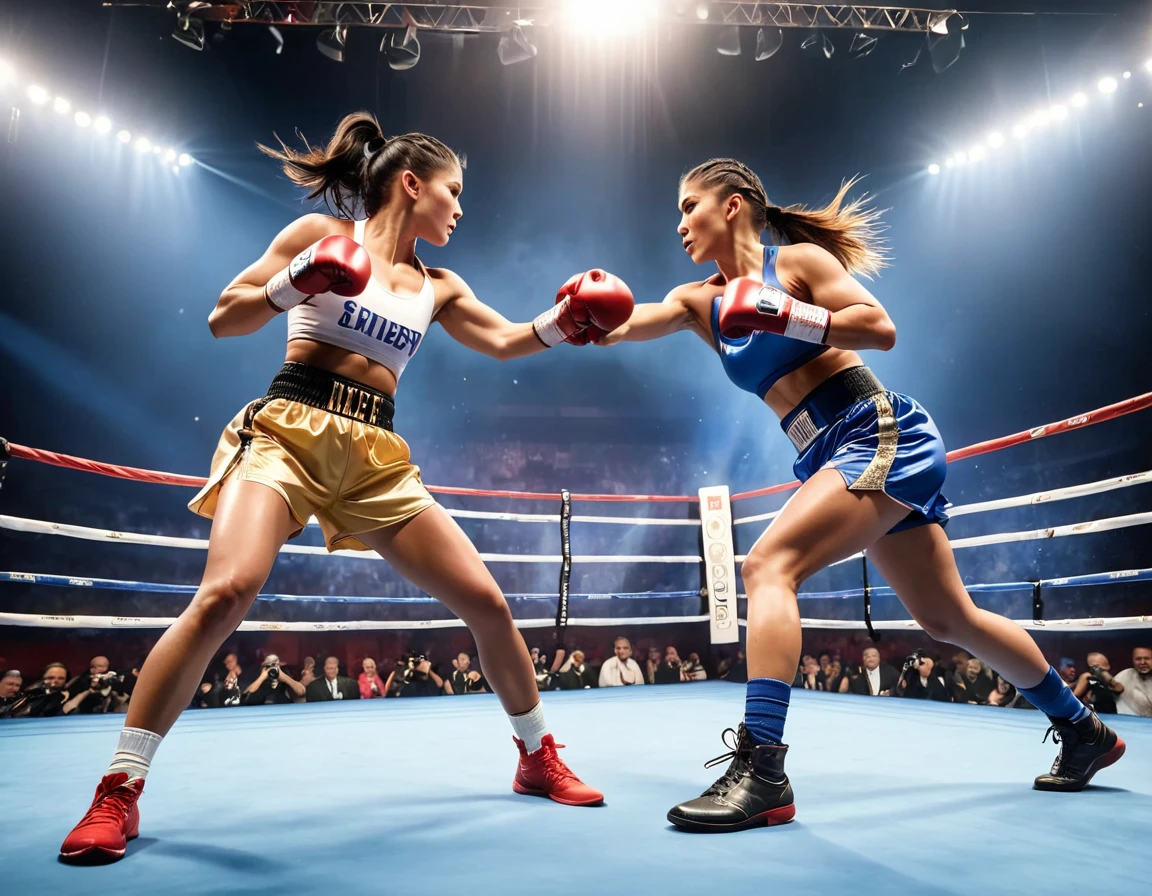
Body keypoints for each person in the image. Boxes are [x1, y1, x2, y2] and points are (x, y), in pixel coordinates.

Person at [60, 110, 632, 864]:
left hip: (376, 455)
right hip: (290, 429)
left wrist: (567, 322)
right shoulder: (315, 241)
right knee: (226, 592)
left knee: (488, 604)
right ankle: (118, 792)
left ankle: (536, 756)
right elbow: (220, 319)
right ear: (411, 182)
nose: (461, 208)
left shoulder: (440, 284)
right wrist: (293, 286)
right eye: (452, 192)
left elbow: (503, 339)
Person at [597, 157, 1125, 832]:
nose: (679, 224)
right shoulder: (697, 301)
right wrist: (578, 318)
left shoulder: (796, 265)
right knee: (947, 619)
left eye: (688, 205)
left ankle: (763, 770)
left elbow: (879, 327)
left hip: (875, 429)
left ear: (731, 205)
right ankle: (1083, 730)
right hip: (825, 449)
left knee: (767, 566)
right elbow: (627, 323)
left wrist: (788, 314)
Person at [1113, 647, 1152, 717]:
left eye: (1147, 658)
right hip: (1124, 723)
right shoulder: (1123, 675)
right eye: (1138, 659)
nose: (1142, 662)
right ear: (1133, 660)